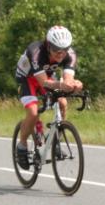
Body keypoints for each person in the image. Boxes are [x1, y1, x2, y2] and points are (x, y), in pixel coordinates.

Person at [13, 25, 84, 170]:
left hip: (47, 77)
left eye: (64, 49)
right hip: (27, 78)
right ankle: (22, 145)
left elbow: (68, 78)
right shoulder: (36, 52)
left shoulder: (70, 54)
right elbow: (44, 82)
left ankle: (55, 140)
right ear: (48, 45)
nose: (61, 53)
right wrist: (62, 85)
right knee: (33, 113)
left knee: (63, 103)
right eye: (56, 49)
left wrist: (74, 84)